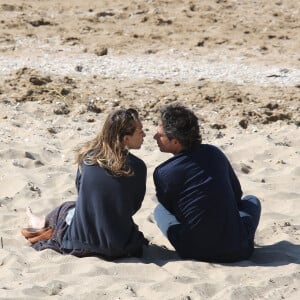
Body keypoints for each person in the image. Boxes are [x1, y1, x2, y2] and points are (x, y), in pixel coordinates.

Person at [21, 108, 148, 260]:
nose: (144, 135)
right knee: (76, 209)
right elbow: (133, 206)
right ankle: (41, 221)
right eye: (140, 131)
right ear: (126, 139)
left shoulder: (88, 159)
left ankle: (40, 222)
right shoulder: (138, 167)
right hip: (119, 246)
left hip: (81, 244)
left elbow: (82, 192)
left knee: (67, 208)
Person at [153, 104, 261, 262]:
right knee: (251, 201)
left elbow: (173, 210)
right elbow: (237, 196)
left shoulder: (163, 172)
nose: (155, 137)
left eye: (160, 134)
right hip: (239, 250)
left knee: (159, 210)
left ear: (175, 142)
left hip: (195, 252)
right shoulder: (214, 153)